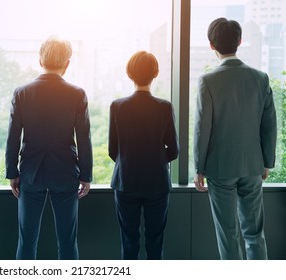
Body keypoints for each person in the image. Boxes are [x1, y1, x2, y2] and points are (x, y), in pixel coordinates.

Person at [194, 18, 277, 260]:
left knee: (228, 235)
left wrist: (199, 168)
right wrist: (266, 163)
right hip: (252, 166)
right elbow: (269, 125)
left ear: (211, 45)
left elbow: (202, 128)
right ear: (240, 41)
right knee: (255, 234)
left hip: (220, 169)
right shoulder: (260, 78)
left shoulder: (207, 81)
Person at [5, 36, 93, 260]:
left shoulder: (21, 93)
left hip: (31, 173)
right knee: (67, 242)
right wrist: (86, 175)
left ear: (40, 60)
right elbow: (84, 138)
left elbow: (13, 137)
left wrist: (12, 173)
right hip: (65, 173)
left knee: (26, 241)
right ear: (67, 63)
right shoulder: (77, 94)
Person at [108, 51, 179, 260]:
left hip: (125, 182)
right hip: (157, 183)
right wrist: (155, 160)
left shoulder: (117, 106)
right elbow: (173, 150)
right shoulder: (164, 107)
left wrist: (130, 160)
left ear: (129, 74)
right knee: (155, 242)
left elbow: (113, 150)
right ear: (155, 73)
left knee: (128, 242)